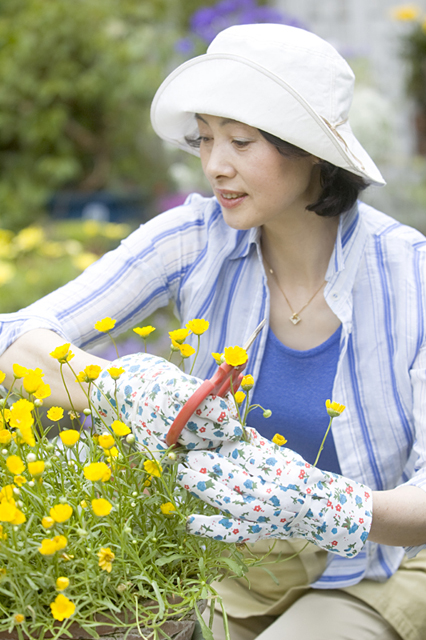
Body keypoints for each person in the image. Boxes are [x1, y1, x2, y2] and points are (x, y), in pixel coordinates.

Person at [1, 22, 426, 640]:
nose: (215, 166)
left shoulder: (410, 273)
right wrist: (116, 387)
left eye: (242, 141)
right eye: (204, 140)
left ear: (310, 150)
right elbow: (15, 335)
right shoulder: (194, 239)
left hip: (386, 567)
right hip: (238, 562)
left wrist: (333, 508)